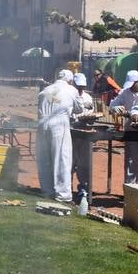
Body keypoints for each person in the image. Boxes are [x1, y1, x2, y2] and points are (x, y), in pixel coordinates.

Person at [36, 69, 77, 202]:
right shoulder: (71, 90)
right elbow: (79, 108)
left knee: (45, 159)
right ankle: (63, 195)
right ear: (70, 80)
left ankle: (47, 191)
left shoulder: (47, 90)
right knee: (61, 158)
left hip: (43, 123)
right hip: (59, 123)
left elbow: (55, 101)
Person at [109, 70, 138, 185]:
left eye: (134, 84)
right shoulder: (125, 92)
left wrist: (136, 116)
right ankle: (129, 188)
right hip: (130, 130)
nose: (132, 87)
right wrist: (115, 109)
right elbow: (112, 105)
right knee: (130, 161)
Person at [69, 72, 98, 199]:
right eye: (79, 86)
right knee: (70, 160)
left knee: (83, 162)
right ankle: (67, 186)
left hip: (84, 132)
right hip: (72, 131)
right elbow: (69, 114)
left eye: (82, 87)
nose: (81, 89)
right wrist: (77, 116)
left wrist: (90, 117)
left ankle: (83, 187)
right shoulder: (70, 96)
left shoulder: (88, 97)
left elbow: (91, 113)